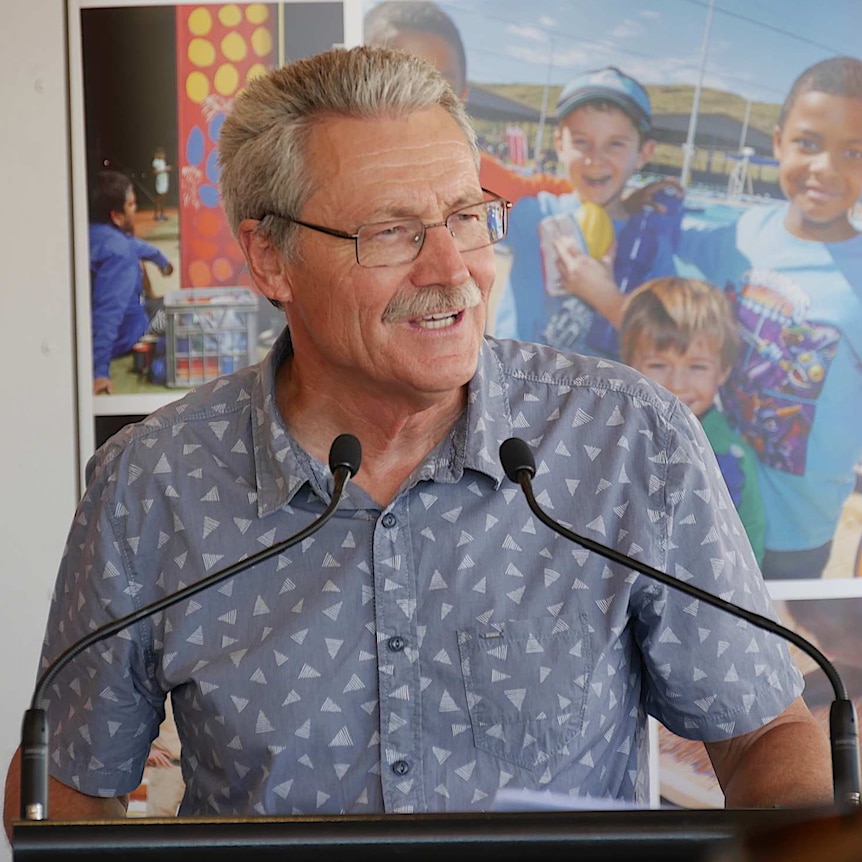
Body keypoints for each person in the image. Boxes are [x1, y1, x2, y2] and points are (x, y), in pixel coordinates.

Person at [3, 46, 830, 837]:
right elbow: (68, 789)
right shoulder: (148, 485)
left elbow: (762, 735)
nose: (453, 270)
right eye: (391, 232)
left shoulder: (627, 437)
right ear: (269, 258)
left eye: (466, 217)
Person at [673, 56, 862, 579]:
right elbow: (652, 245)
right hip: (709, 504)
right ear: (778, 143)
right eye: (808, 143)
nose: (825, 166)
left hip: (795, 536)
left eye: (853, 151)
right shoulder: (734, 236)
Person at [494, 66, 682, 355]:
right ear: (560, 144)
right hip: (512, 394)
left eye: (615, 144)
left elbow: (666, 351)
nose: (596, 160)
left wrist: (606, 299)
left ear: (644, 153)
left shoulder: (652, 246)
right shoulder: (533, 214)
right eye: (581, 142)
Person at [618, 276, 766, 563]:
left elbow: (751, 536)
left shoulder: (734, 456)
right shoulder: (613, 436)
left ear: (723, 371)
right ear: (628, 363)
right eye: (658, 365)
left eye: (697, 367)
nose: (677, 383)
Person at [89, 170, 174, 395]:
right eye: (132, 204)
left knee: (163, 303)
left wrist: (162, 262)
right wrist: (100, 372)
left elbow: (140, 246)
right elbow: (107, 313)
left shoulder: (95, 235)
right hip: (128, 334)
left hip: (117, 326)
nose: (135, 209)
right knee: (182, 314)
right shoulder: (120, 253)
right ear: (117, 215)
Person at [151, 146, 172, 221]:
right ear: (158, 154)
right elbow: (154, 172)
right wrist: (164, 169)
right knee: (159, 198)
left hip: (165, 180)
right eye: (161, 154)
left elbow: (163, 169)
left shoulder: (163, 161)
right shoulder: (155, 161)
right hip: (160, 181)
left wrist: (166, 168)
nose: (163, 155)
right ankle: (156, 215)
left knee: (164, 198)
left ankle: (162, 214)